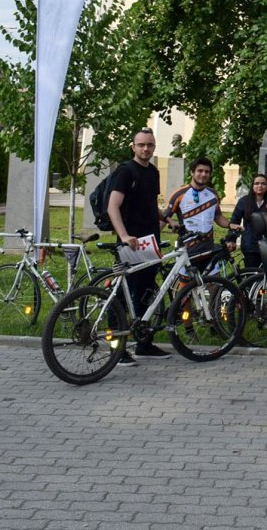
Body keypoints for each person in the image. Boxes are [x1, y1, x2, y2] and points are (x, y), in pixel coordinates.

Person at [106, 127, 171, 363]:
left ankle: (144, 343)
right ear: (133, 147)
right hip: (130, 242)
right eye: (141, 144)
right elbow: (113, 206)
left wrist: (166, 218)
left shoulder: (153, 172)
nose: (146, 149)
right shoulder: (125, 171)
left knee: (145, 293)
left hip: (149, 241)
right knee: (123, 295)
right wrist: (123, 235)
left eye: (150, 145)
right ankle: (116, 349)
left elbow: (149, 204)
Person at [163, 157, 236, 257]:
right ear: (192, 172)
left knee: (213, 273)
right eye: (200, 171)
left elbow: (218, 216)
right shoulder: (179, 194)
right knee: (184, 274)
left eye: (207, 172)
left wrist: (230, 225)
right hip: (187, 248)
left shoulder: (213, 194)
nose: (203, 174)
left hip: (208, 246)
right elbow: (164, 217)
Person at [230, 173, 267, 268]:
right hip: (250, 246)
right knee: (252, 276)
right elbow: (234, 221)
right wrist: (231, 239)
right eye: (257, 183)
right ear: (252, 185)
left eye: (263, 184)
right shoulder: (244, 201)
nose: (260, 186)